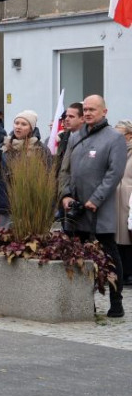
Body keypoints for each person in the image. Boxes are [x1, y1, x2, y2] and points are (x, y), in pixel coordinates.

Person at [61, 95, 125, 318]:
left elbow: (114, 174)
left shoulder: (114, 138)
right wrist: (66, 195)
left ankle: (116, 301)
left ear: (104, 112)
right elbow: (65, 170)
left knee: (109, 255)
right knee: (77, 255)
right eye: (85, 109)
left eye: (92, 110)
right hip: (76, 208)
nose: (87, 113)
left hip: (100, 208)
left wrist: (96, 199)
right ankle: (83, 301)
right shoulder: (75, 136)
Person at [0, 110, 49, 230]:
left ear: (31, 128)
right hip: (5, 205)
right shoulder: (3, 147)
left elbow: (47, 179)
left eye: (23, 124)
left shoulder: (40, 149)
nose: (18, 127)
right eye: (16, 123)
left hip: (30, 207)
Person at [112, 120, 132, 285]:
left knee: (128, 236)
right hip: (114, 198)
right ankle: (120, 272)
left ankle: (129, 272)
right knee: (116, 237)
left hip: (128, 199)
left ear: (129, 136)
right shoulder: (115, 152)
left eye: (120, 135)